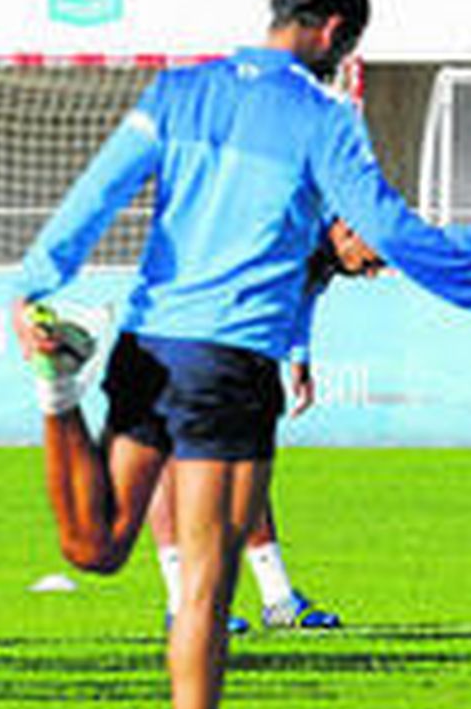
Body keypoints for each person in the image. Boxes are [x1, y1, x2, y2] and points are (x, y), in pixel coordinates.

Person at [12, 0, 471, 709]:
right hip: (231, 362)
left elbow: (98, 190)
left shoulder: (177, 91)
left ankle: (56, 394)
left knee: (97, 547)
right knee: (206, 588)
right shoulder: (323, 117)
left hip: (149, 343)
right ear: (332, 31)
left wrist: (36, 279)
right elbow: (384, 225)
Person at [151, 220, 381, 634]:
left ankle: (278, 599)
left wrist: (299, 358)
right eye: (371, 262)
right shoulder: (287, 226)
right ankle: (183, 602)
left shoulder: (323, 254)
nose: (372, 274)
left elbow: (304, 297)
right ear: (348, 230)